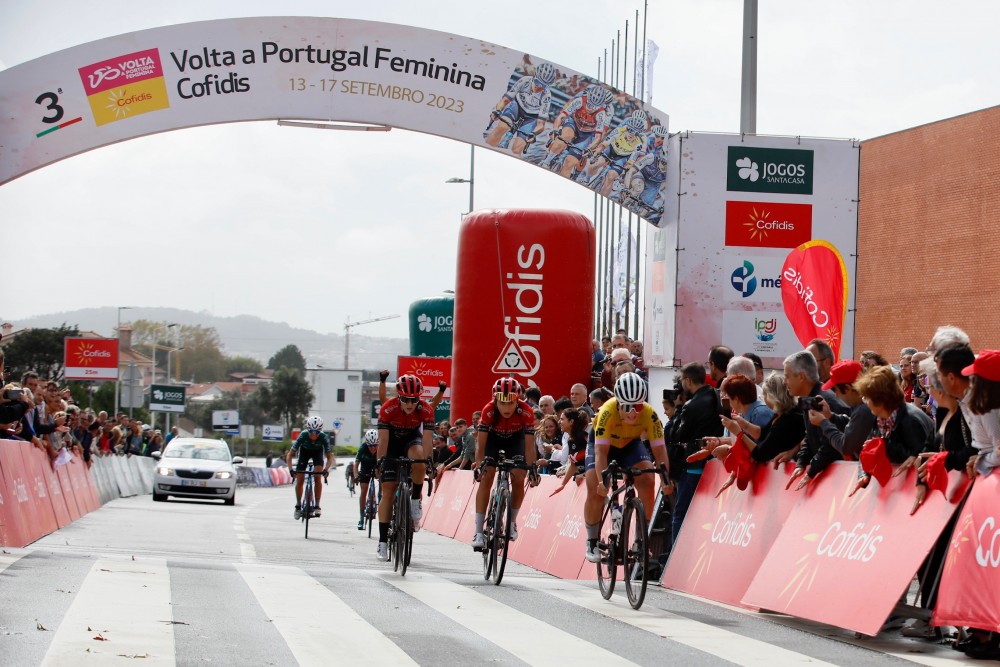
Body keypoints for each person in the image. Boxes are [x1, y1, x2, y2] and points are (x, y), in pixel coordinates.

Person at [583, 372, 671, 563]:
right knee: (594, 487)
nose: (633, 412)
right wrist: (602, 482)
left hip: (630, 444)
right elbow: (601, 453)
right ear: (618, 403)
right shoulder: (607, 411)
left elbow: (660, 450)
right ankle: (591, 540)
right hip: (603, 446)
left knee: (648, 479)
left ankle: (641, 539)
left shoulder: (650, 414)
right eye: (627, 407)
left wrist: (665, 479)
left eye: (638, 406)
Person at [471, 377, 538, 551]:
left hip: (515, 441)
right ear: (495, 400)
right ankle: (478, 532)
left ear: (518, 400)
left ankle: (512, 521)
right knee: (487, 476)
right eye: (503, 403)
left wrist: (532, 468)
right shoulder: (488, 411)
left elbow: (530, 447)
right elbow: (481, 445)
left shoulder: (526, 411)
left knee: (519, 476)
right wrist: (479, 465)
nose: (507, 408)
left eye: (511, 403)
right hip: (492, 441)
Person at [374, 374, 435, 561]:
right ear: (399, 397)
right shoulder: (388, 408)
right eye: (406, 400)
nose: (410, 404)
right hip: (391, 443)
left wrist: (429, 462)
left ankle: (416, 499)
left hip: (411, 439)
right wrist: (380, 462)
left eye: (414, 400)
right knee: (388, 492)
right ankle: (383, 541)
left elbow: (426, 440)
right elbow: (383, 440)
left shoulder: (425, 409)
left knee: (419, 457)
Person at [667, 362, 723, 545]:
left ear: (688, 381)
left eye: (683, 381)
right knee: (707, 514)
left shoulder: (690, 406)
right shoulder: (717, 396)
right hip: (715, 464)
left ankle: (676, 555)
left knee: (681, 513)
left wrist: (677, 409)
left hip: (693, 465)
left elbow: (676, 435)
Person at [485, 62, 555, 157]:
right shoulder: (524, 81)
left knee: (517, 149)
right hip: (517, 107)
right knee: (502, 127)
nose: (539, 87)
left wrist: (534, 134)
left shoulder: (546, 96)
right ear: (534, 77)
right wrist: (498, 110)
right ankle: (486, 150)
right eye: (538, 82)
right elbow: (505, 100)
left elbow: (540, 124)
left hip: (531, 117)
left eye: (543, 86)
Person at [285, 416, 332, 519]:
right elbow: (290, 455)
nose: (314, 435)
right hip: (304, 453)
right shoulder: (303, 435)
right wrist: (291, 470)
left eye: (317, 432)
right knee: (300, 479)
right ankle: (298, 506)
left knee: (317, 477)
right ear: (308, 429)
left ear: (320, 431)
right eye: (311, 432)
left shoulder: (323, 437)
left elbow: (329, 457)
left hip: (317, 453)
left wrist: (326, 470)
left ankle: (317, 505)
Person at [354, 429, 380, 530]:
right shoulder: (363, 448)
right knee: (364, 489)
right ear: (366, 444)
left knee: (383, 483)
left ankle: (380, 501)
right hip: (365, 466)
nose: (373, 448)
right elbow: (356, 465)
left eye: (375, 446)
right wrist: (356, 476)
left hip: (377, 466)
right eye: (370, 446)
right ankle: (361, 517)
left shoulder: (380, 447)